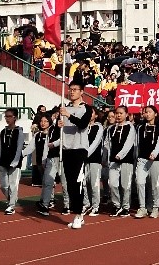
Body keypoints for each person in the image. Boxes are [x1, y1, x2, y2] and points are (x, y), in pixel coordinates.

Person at [57, 81, 94, 229]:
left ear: (81, 92)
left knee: (77, 183)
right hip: (67, 149)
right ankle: (78, 213)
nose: (72, 92)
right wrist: (59, 124)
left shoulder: (87, 109)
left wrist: (68, 115)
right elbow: (62, 126)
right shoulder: (64, 108)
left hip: (79, 149)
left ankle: (78, 214)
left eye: (75, 89)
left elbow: (83, 124)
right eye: (70, 89)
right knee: (69, 184)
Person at [134, 105, 159, 219]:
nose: (147, 114)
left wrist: (155, 153)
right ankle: (142, 207)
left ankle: (155, 207)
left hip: (155, 160)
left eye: (149, 112)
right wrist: (136, 156)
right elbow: (137, 143)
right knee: (140, 182)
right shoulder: (140, 127)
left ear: (155, 114)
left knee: (155, 185)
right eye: (145, 112)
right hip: (142, 159)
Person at [107, 105, 135, 218]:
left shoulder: (130, 127)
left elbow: (129, 143)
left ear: (126, 115)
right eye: (117, 113)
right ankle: (116, 205)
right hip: (113, 161)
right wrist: (107, 158)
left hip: (126, 160)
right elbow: (108, 144)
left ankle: (126, 207)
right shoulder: (111, 128)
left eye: (121, 113)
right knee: (112, 184)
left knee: (125, 185)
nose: (118, 115)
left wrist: (120, 155)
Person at [0, 108, 24, 215]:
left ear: (14, 117)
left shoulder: (18, 131)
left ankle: (11, 205)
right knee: (3, 185)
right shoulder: (3, 132)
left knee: (13, 184)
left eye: (9, 116)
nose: (7, 119)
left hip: (14, 163)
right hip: (3, 161)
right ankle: (12, 198)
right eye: (6, 116)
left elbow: (19, 147)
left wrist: (16, 161)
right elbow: (0, 147)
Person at [83, 108, 104, 217]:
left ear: (96, 115)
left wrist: (86, 153)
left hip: (95, 159)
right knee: (83, 183)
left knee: (94, 183)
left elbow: (96, 142)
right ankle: (86, 203)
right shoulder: (83, 126)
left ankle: (96, 206)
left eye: (91, 113)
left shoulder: (98, 127)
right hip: (83, 160)